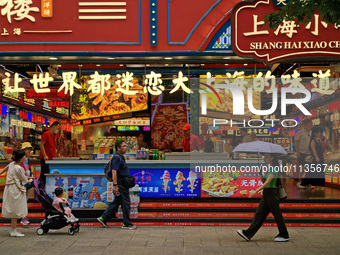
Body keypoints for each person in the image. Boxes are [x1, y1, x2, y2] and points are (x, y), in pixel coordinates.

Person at [237, 153, 289, 242]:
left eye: (267, 156)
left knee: (277, 215)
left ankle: (284, 235)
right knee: (259, 215)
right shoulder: (269, 168)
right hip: (267, 193)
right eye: (265, 156)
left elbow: (267, 183)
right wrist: (260, 174)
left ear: (272, 158)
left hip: (272, 193)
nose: (265, 158)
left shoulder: (273, 168)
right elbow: (264, 181)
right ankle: (247, 234)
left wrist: (255, 191)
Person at [97, 140, 137, 230]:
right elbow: (114, 171)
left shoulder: (121, 157)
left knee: (117, 202)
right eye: (123, 146)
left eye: (126, 146)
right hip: (120, 184)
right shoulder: (116, 158)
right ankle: (126, 223)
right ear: (118, 148)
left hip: (122, 183)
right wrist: (115, 185)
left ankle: (103, 218)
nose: (125, 148)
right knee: (126, 203)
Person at [0, 142, 34, 225]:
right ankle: (22, 217)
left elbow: (27, 171)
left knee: (24, 199)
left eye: (30, 149)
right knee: (20, 201)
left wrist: (30, 176)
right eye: (27, 149)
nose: (29, 151)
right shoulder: (16, 164)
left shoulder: (27, 160)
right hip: (19, 184)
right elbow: (13, 170)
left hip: (23, 181)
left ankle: (21, 217)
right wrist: (28, 180)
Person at [40, 121, 60, 185]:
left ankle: (46, 190)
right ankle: (40, 190)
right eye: (58, 128)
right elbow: (41, 144)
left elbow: (53, 146)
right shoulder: (46, 134)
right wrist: (45, 155)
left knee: (49, 176)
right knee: (44, 175)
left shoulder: (54, 136)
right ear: (54, 127)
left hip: (51, 159)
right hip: (46, 159)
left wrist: (57, 152)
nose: (58, 130)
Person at [295, 119, 313, 187]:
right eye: (310, 125)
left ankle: (307, 182)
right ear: (306, 125)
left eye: (312, 125)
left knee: (309, 168)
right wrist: (297, 151)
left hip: (309, 153)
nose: (311, 126)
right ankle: (299, 181)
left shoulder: (311, 133)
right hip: (302, 152)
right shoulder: (300, 132)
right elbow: (296, 141)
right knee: (302, 167)